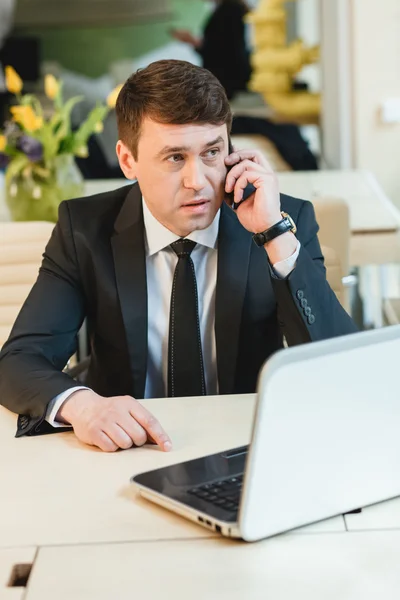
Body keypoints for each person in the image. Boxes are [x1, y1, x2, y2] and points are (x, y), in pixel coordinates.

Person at [0, 59, 357, 453]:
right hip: (128, 449)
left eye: (211, 153)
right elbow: (18, 360)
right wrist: (83, 406)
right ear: (127, 160)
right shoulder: (84, 229)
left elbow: (342, 367)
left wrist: (273, 233)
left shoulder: (283, 220)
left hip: (247, 445)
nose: (197, 181)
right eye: (174, 158)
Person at [171, 0, 251, 100]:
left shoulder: (230, 9)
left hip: (228, 76)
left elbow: (222, 50)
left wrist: (193, 41)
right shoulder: (224, 8)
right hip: (228, 74)